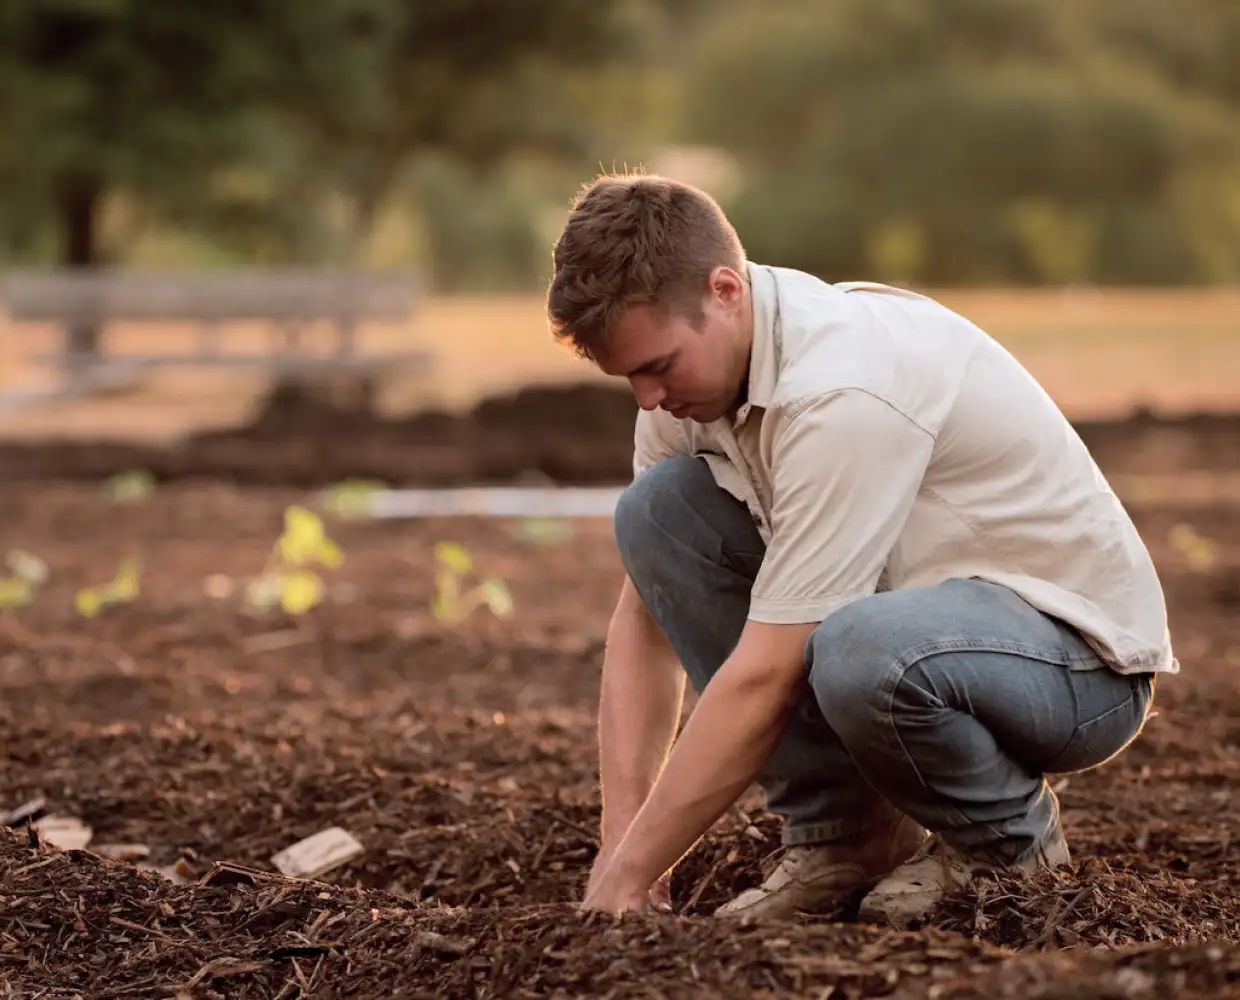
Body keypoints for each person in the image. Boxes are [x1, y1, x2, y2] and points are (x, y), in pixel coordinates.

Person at [545, 171, 1175, 927]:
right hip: (918, 629)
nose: (647, 400)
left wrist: (636, 870)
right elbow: (647, 622)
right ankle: (847, 837)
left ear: (725, 291)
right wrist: (620, 854)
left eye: (658, 366)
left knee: (857, 647)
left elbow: (766, 675)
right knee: (657, 514)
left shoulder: (841, 390)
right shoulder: (689, 395)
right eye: (629, 378)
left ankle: (1006, 846)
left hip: (1076, 664)